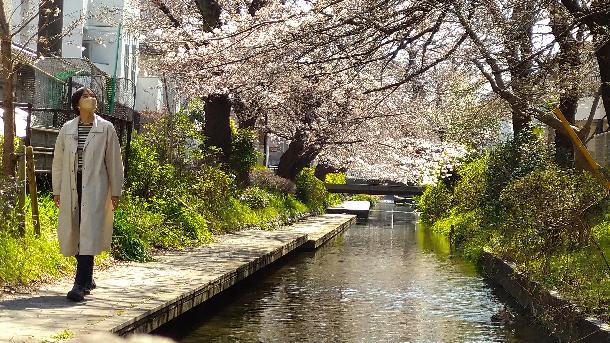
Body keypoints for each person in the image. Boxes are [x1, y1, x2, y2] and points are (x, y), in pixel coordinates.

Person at [52, 87, 124, 302]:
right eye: (86, 96)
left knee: (89, 232)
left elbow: (114, 162)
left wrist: (116, 191)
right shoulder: (67, 129)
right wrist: (57, 189)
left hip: (96, 187)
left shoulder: (106, 128)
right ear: (77, 103)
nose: (91, 99)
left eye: (93, 96)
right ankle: (88, 277)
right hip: (72, 185)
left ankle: (79, 285)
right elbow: (58, 162)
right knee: (74, 230)